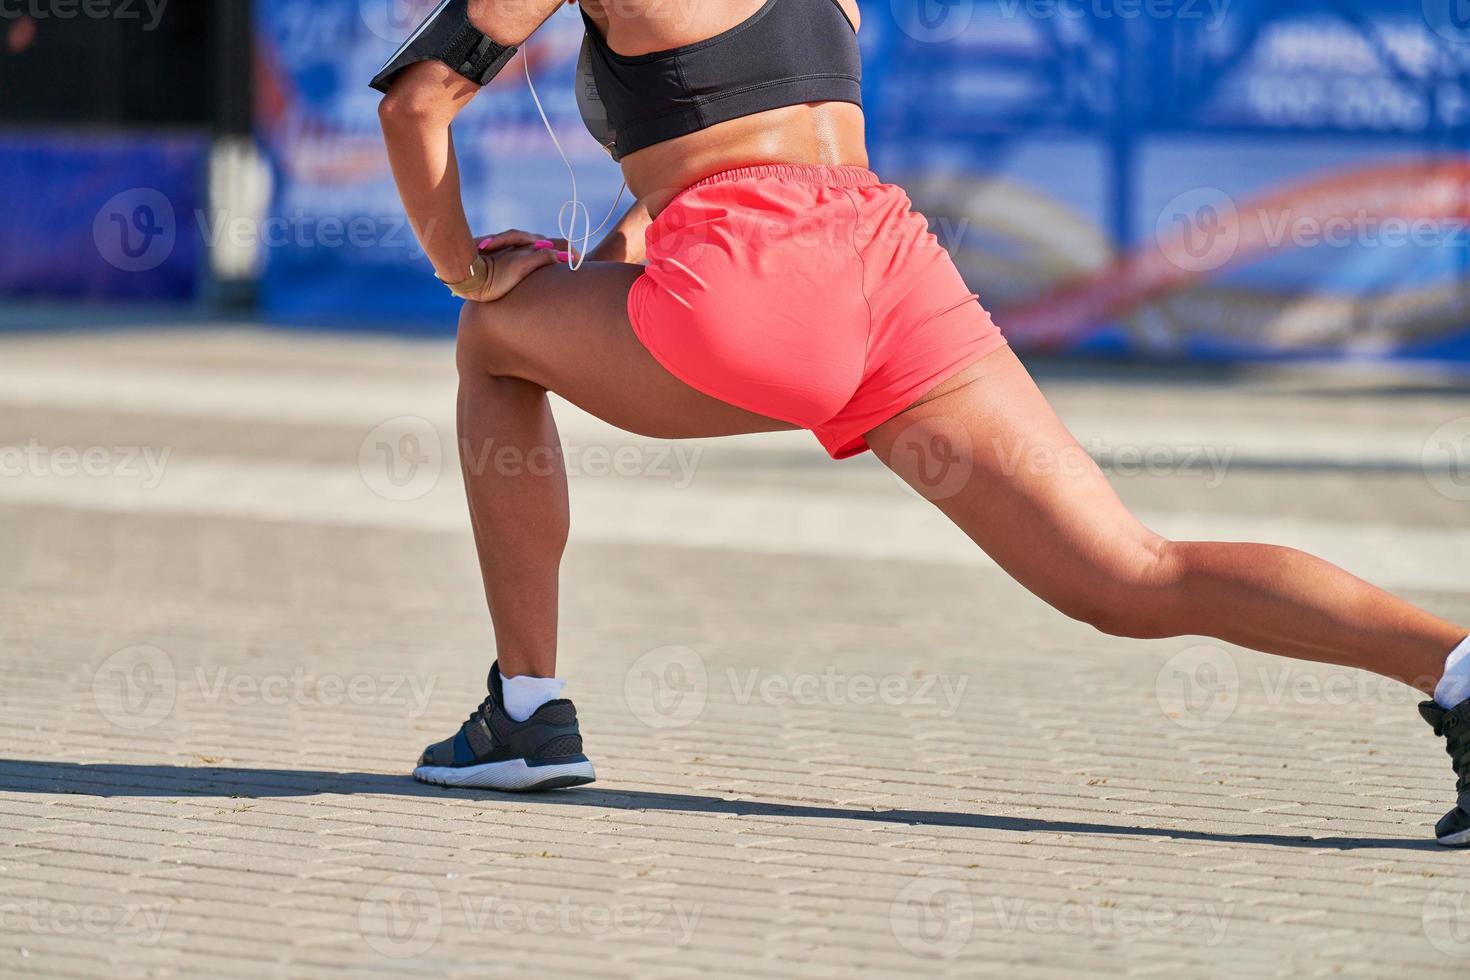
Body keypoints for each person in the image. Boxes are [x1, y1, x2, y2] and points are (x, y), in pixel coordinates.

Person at [373, 0, 1470, 843]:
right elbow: (736, 129)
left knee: (492, 340)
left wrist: (468, 268)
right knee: (1129, 571)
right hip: (888, 266)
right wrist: (621, 268)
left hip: (755, 284)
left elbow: (416, 101)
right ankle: (1458, 665)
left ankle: (528, 706)